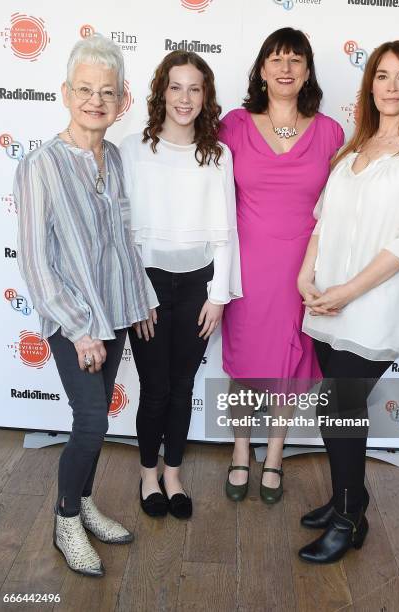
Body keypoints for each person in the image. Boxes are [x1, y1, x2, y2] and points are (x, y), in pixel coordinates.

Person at [14, 34, 158, 577]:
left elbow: (122, 239)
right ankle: (65, 517)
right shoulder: (39, 166)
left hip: (114, 310)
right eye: (84, 90)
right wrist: (79, 329)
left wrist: (140, 298)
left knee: (94, 421)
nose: (95, 101)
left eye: (106, 92)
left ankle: (87, 501)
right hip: (73, 318)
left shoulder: (114, 157)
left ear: (122, 101)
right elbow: (34, 263)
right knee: (93, 421)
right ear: (65, 94)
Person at [297, 40, 399, 563]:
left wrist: (347, 292)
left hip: (374, 302)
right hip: (328, 299)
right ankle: (349, 497)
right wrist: (305, 276)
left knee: (338, 404)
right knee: (339, 408)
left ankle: (348, 517)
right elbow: (323, 220)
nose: (390, 85)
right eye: (382, 75)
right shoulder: (352, 150)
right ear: (370, 85)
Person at [220, 27, 343, 504]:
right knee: (245, 360)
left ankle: (274, 452)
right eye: (276, 58)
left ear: (307, 70)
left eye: (295, 59)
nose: (286, 67)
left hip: (303, 268)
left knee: (290, 360)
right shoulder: (232, 125)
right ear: (262, 70)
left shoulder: (331, 131)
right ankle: (240, 447)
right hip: (246, 266)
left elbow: (341, 208)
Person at [120, 51, 241, 520]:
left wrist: (219, 296)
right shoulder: (133, 149)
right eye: (176, 87)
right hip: (146, 283)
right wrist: (137, 293)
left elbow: (225, 229)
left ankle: (173, 473)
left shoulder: (218, 154)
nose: (184, 98)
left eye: (194, 88)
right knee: (154, 387)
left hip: (198, 286)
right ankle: (148, 472)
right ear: (161, 92)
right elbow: (124, 231)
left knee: (182, 383)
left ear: (205, 95)